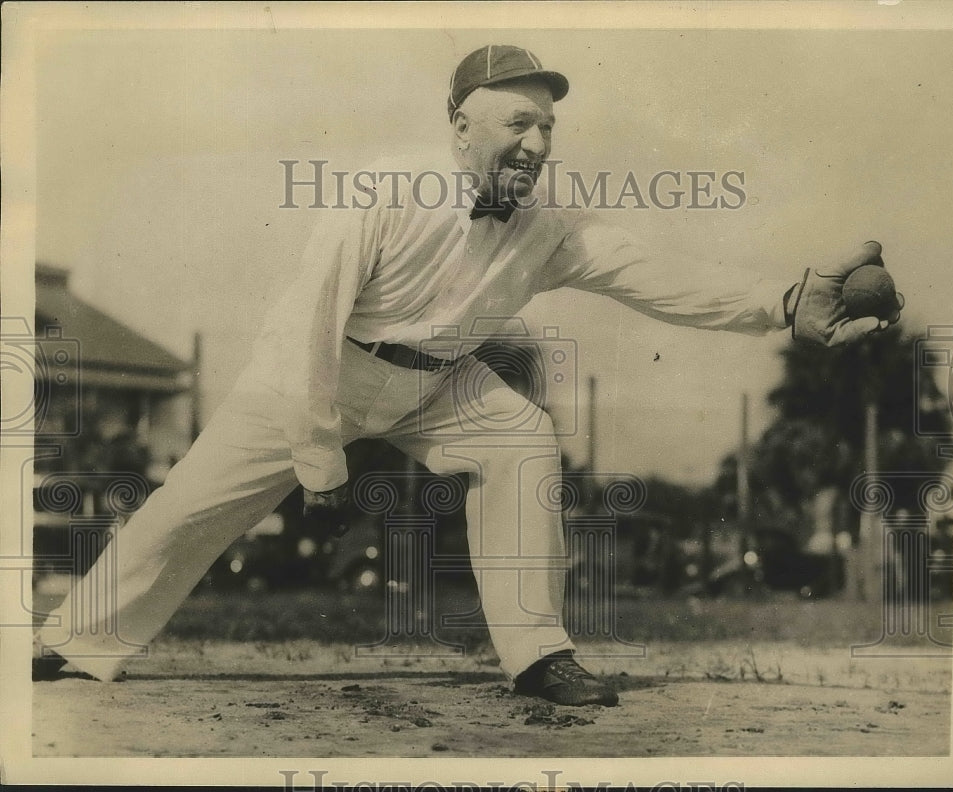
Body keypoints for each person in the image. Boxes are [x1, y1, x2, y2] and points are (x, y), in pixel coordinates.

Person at [33, 44, 903, 707]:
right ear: (460, 127)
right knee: (189, 504)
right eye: (518, 124)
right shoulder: (382, 192)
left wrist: (785, 300)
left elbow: (654, 275)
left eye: (548, 129)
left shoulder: (550, 225)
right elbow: (308, 324)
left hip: (438, 384)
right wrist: (317, 455)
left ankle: (537, 655)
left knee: (522, 438)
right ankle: (77, 641)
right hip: (316, 371)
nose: (536, 143)